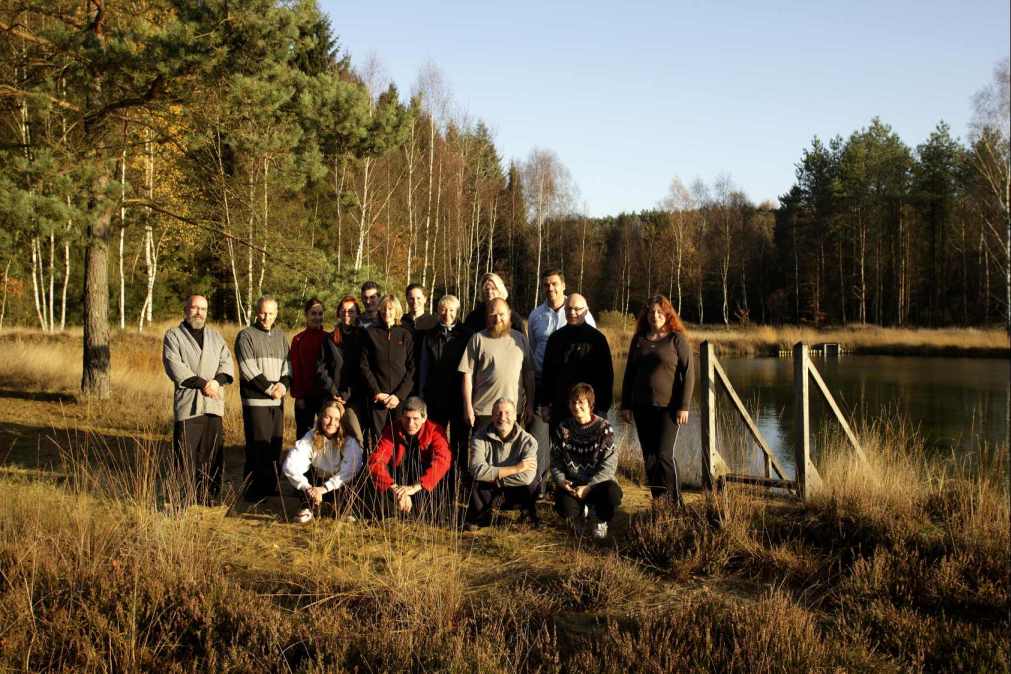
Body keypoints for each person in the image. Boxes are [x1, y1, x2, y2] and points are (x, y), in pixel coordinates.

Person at [620, 294, 694, 505]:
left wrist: (684, 406)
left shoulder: (676, 339)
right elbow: (629, 373)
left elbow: (689, 374)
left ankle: (676, 504)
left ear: (667, 314)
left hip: (669, 408)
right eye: (651, 312)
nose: (655, 316)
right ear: (646, 315)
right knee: (650, 458)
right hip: (642, 407)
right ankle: (660, 503)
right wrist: (626, 405)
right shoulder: (639, 339)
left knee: (663, 455)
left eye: (660, 312)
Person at [527, 271, 597, 493]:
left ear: (563, 285)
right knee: (541, 439)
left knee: (571, 439)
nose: (551, 288)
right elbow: (532, 348)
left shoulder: (581, 311)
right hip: (542, 385)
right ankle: (538, 490)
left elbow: (592, 347)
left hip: (574, 390)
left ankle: (569, 489)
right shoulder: (536, 315)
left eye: (555, 284)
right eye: (546, 284)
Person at [162, 294, 234, 503]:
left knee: (212, 453)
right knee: (185, 453)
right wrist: (204, 384)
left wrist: (217, 382)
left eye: (203, 309)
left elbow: (226, 363)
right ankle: (181, 497)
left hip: (213, 403)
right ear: (186, 310)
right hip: (189, 404)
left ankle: (208, 495)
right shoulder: (174, 336)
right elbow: (174, 366)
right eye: (194, 308)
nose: (198, 313)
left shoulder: (215, 336)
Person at [235, 295, 291, 501]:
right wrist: (269, 389)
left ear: (277, 313)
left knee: (274, 445)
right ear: (256, 312)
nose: (267, 317)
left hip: (277, 400)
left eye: (271, 313)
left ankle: (269, 488)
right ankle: (252, 491)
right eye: (263, 312)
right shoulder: (246, 336)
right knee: (258, 445)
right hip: (256, 401)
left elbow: (288, 366)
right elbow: (248, 368)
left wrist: (284, 385)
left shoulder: (280, 336)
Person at [551, 383, 622, 540]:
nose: (576, 406)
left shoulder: (604, 428)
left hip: (598, 484)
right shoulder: (563, 428)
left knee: (612, 494)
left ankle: (600, 519)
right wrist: (561, 480)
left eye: (581, 402)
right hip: (573, 483)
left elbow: (609, 467)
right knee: (563, 504)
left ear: (590, 405)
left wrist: (589, 487)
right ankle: (578, 518)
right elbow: (556, 461)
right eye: (573, 402)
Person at [367, 396, 452, 519]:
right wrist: (397, 490)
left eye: (415, 418)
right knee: (373, 489)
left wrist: (414, 488)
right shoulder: (392, 429)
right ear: (401, 417)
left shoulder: (435, 431)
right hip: (397, 482)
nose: (410, 424)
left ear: (424, 418)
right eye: (407, 418)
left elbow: (443, 461)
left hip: (423, 483)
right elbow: (376, 461)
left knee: (434, 509)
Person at [459, 298, 535, 433]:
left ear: (509, 315)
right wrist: (468, 408)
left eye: (501, 314)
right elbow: (467, 375)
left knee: (509, 453)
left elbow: (529, 374)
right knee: (482, 453)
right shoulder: (478, 339)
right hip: (484, 411)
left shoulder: (521, 340)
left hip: (511, 411)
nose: (497, 318)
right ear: (487, 317)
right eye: (493, 314)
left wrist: (529, 404)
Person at [282, 399, 364, 523]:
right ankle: (308, 506)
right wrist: (309, 489)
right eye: (328, 417)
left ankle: (344, 508)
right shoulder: (310, 436)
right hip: (316, 483)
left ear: (341, 421)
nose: (332, 423)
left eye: (336, 419)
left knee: (352, 478)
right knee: (305, 472)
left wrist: (324, 489)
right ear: (321, 418)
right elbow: (290, 465)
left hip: (338, 484)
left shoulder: (349, 440)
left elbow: (351, 469)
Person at [538, 293, 613, 427]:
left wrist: (603, 408)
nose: (572, 312)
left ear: (586, 311)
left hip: (589, 409)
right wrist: (544, 404)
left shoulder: (597, 339)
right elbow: (547, 373)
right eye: (568, 309)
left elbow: (606, 375)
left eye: (577, 309)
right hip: (560, 407)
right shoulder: (555, 339)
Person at [418, 294, 473, 475]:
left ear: (457, 311)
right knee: (435, 440)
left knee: (460, 442)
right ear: (437, 311)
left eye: (451, 310)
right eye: (443, 309)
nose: (447, 313)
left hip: (459, 397)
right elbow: (424, 368)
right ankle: (435, 478)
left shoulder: (466, 335)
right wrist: (422, 397)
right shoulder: (430, 336)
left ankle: (458, 480)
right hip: (436, 397)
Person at [465, 398, 539, 531]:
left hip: (512, 490)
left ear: (515, 416)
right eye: (498, 413)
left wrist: (496, 479)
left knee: (533, 482)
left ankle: (527, 516)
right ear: (492, 416)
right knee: (473, 480)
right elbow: (476, 470)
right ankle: (481, 516)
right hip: (489, 490)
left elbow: (527, 476)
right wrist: (516, 468)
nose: (502, 417)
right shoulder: (478, 437)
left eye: (507, 413)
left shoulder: (529, 441)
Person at [360, 294, 415, 445]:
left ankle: (400, 469)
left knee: (401, 439)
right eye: (383, 309)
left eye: (390, 309)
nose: (387, 312)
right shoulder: (370, 333)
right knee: (380, 441)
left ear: (397, 310)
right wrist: (376, 392)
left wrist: (399, 396)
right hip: (378, 399)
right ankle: (379, 468)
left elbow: (412, 368)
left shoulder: (405, 334)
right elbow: (364, 366)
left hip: (399, 400)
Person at [289, 297, 328, 439]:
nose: (317, 317)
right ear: (306, 315)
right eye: (313, 313)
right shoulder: (298, 340)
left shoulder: (328, 338)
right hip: (305, 398)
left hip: (325, 396)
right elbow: (295, 368)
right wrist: (299, 396)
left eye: (320, 313)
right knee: (304, 436)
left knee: (326, 434)